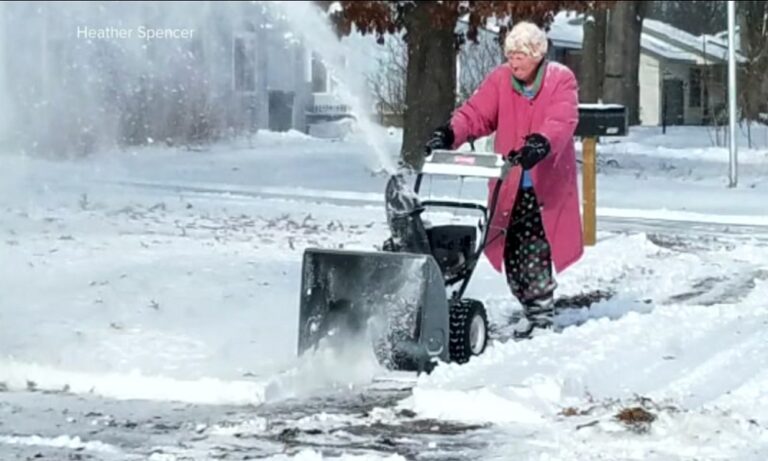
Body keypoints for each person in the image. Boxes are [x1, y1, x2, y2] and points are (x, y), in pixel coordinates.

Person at [424, 21, 583, 339]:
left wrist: (541, 142)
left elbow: (562, 119)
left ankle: (541, 316)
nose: (514, 61)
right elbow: (476, 114)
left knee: (535, 250)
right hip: (508, 184)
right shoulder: (500, 80)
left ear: (537, 54)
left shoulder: (559, 80)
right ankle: (528, 307)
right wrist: (451, 133)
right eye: (510, 54)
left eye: (520, 54)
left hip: (544, 185)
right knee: (511, 250)